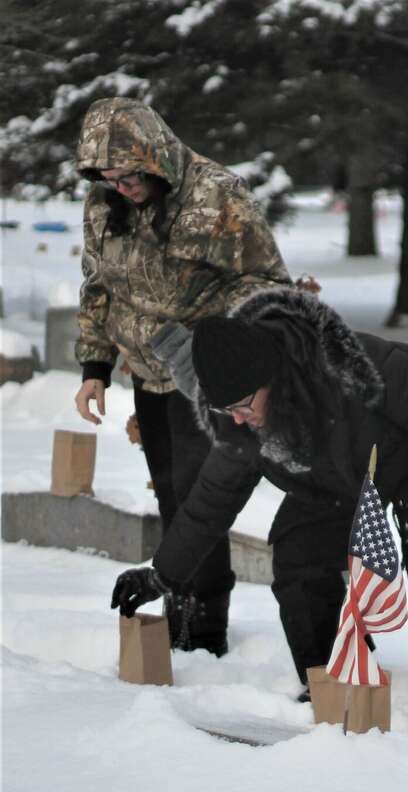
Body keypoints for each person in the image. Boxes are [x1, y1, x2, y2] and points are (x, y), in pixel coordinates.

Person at [109, 287, 408, 731]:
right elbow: (210, 504)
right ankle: (328, 680)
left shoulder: (351, 367)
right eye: (224, 409)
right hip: (347, 471)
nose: (236, 418)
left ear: (273, 379)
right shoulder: (242, 425)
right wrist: (163, 574)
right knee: (298, 556)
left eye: (243, 405)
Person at [73, 97, 291, 656]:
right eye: (109, 178)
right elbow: (98, 285)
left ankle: (203, 629)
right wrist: (95, 366)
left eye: (130, 175)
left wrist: (212, 338)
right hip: (147, 374)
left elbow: (268, 283)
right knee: (172, 495)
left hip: (206, 378)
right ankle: (181, 615)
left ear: (156, 158)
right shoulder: (103, 206)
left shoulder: (217, 194)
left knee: (201, 498)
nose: (121, 187)